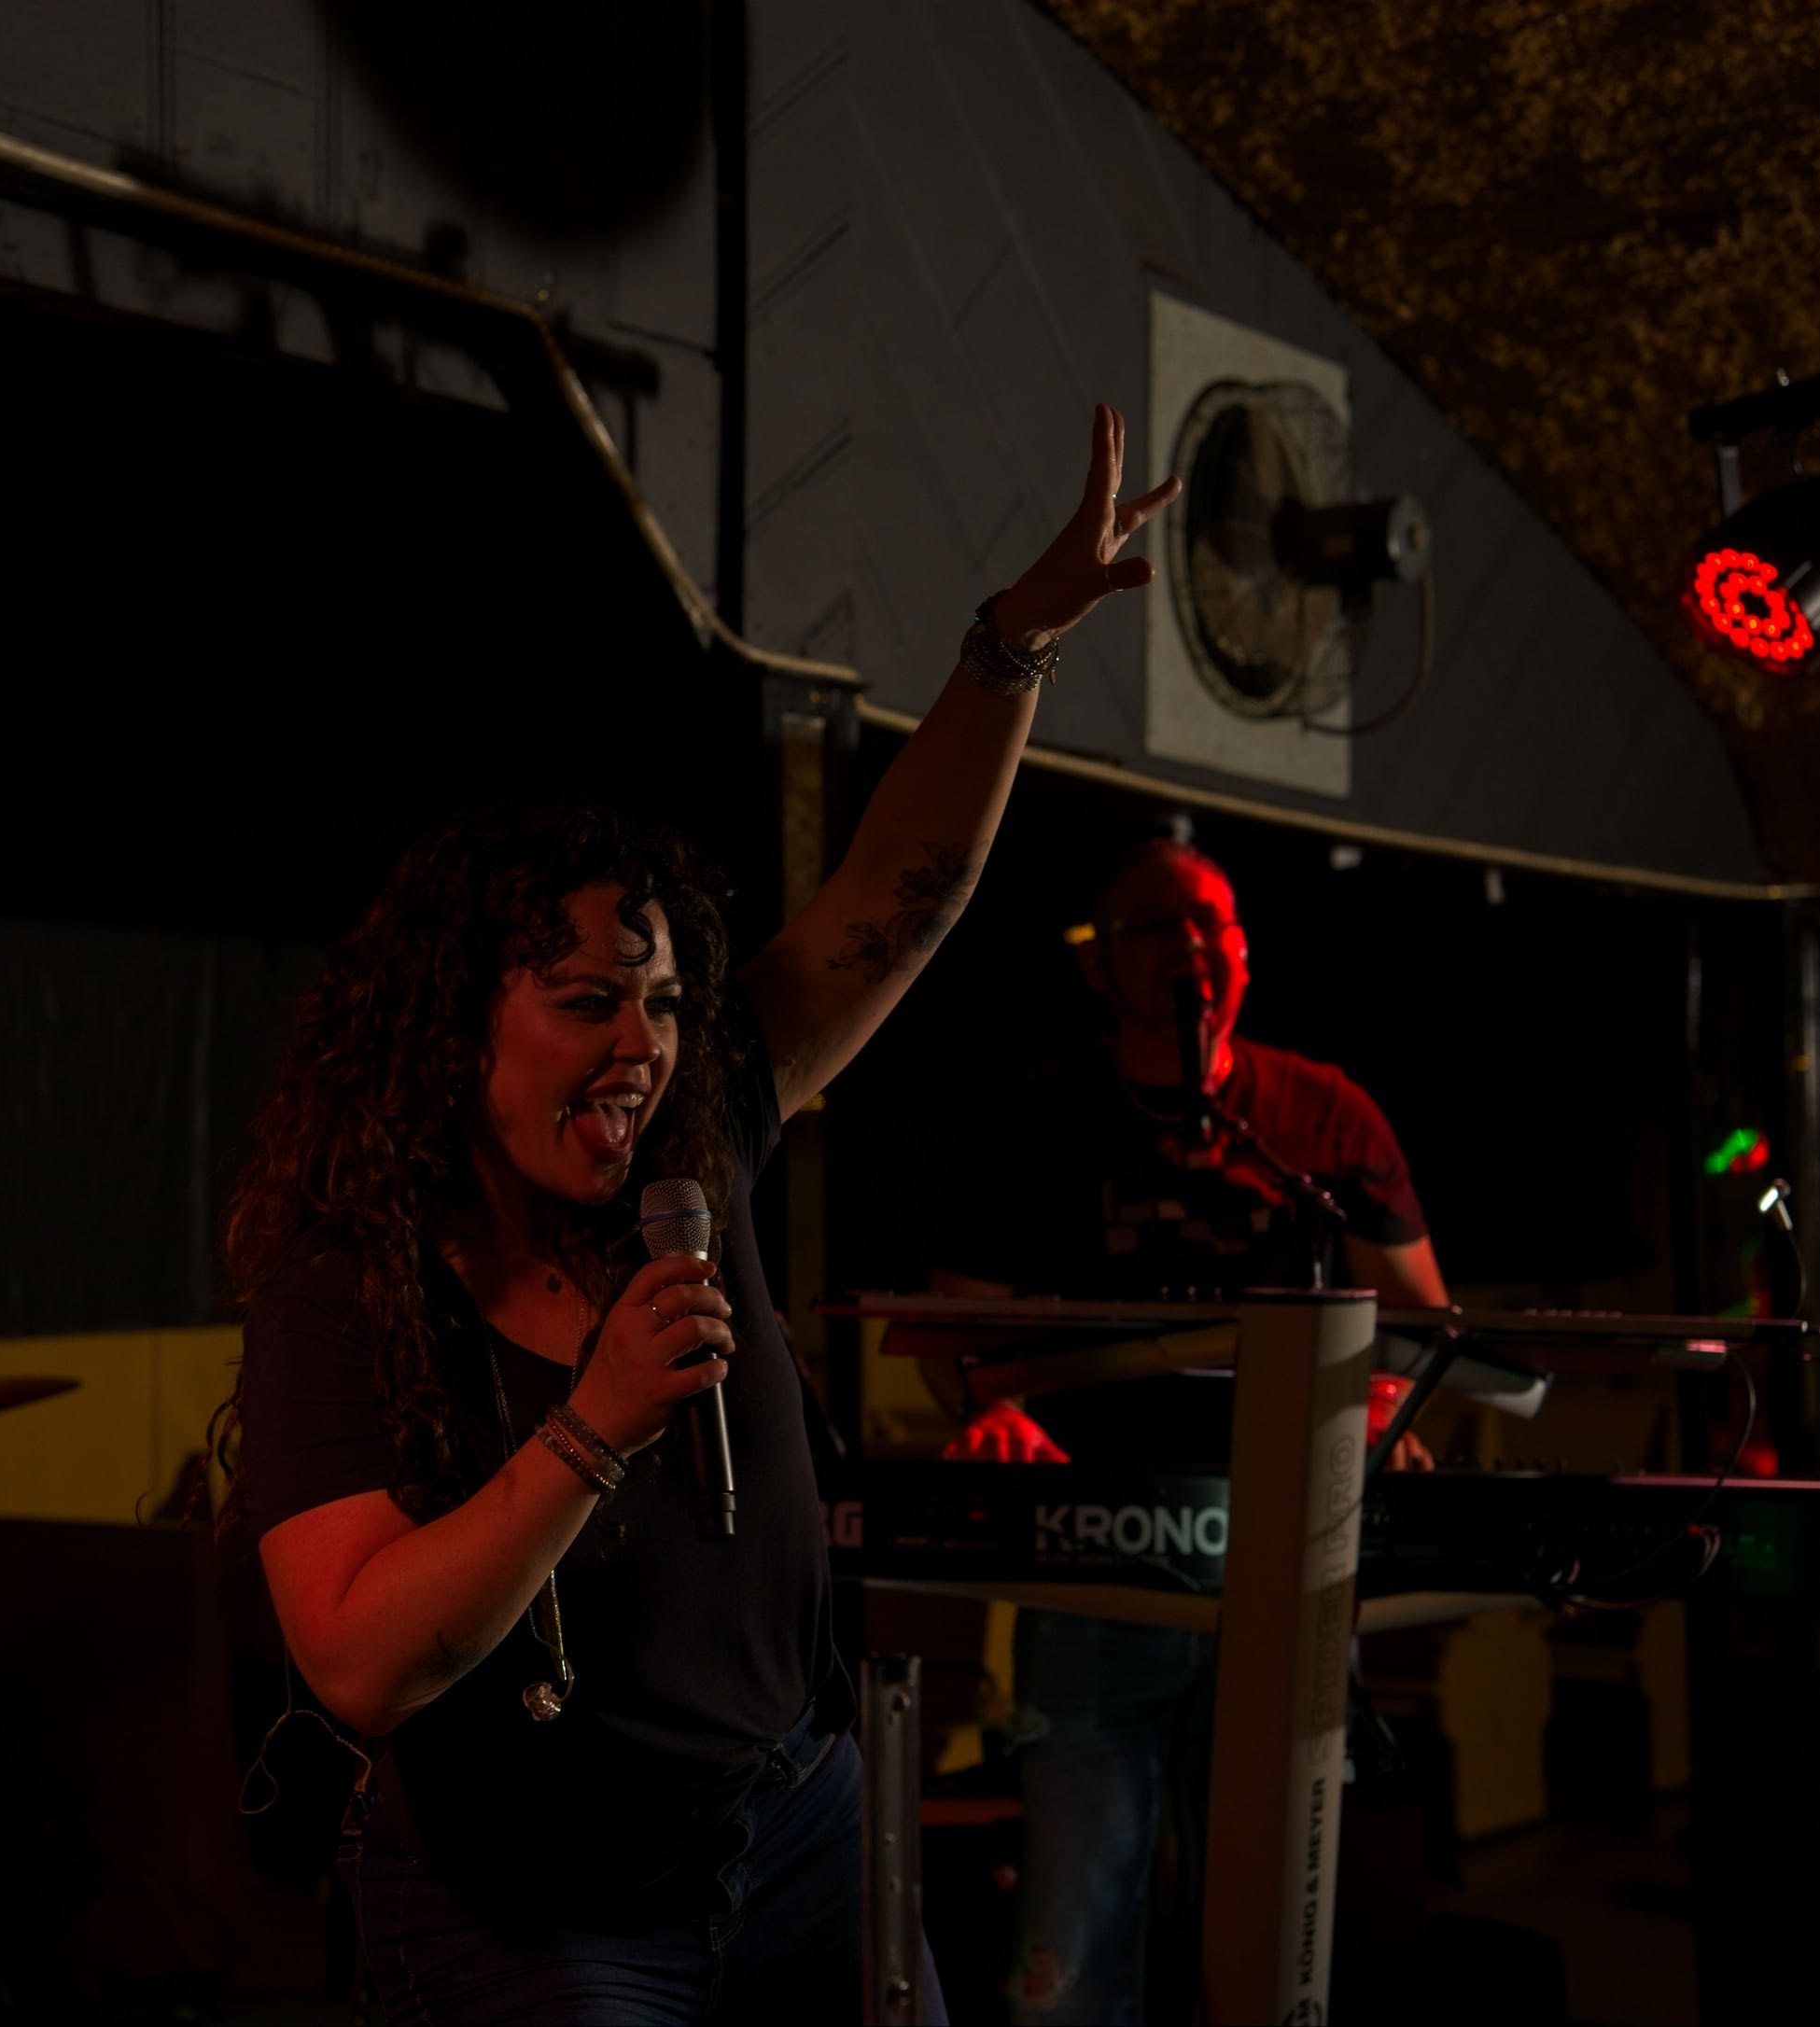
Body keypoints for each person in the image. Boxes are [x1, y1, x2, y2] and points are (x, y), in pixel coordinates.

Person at [219, 406, 1181, 2024]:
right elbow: (359, 1662)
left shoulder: (692, 1151)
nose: (643, 1047)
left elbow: (903, 901)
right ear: (452, 1027)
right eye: (587, 1001)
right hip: (537, 1911)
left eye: (662, 1000)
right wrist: (592, 1425)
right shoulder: (344, 1287)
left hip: (799, 1828)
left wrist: (1013, 643)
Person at [935, 839, 1444, 2026]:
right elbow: (956, 1338)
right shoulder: (1036, 1120)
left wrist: (1380, 1404)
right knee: (1071, 1950)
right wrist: (994, 1412)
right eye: (1151, 926)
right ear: (1095, 965)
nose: (1186, 948)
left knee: (1280, 1938)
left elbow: (1423, 1326)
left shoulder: (1321, 1114)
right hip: (1098, 1565)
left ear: (1244, 956)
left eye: (1208, 923)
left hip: (1289, 1555)